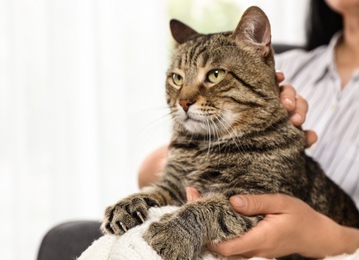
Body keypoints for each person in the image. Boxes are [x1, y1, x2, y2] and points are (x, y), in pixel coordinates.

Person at [137, 0, 359, 258]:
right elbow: (150, 174)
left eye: (213, 76)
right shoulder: (287, 67)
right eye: (177, 79)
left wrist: (323, 237)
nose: (186, 98)